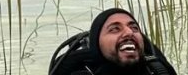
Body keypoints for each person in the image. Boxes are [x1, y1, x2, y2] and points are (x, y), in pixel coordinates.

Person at [49, 8, 177, 75]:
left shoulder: (158, 71)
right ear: (97, 44)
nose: (129, 32)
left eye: (134, 28)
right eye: (115, 29)